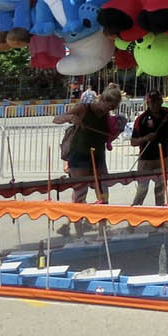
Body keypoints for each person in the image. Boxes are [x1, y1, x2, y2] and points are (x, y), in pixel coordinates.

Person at [53, 86, 115, 233]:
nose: (109, 110)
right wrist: (70, 118)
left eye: (113, 108)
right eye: (109, 106)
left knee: (103, 193)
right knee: (80, 193)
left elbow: (108, 136)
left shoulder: (106, 116)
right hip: (79, 156)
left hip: (98, 156)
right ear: (103, 99)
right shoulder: (83, 108)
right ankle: (78, 232)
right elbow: (56, 119)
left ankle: (102, 229)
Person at [129, 91, 168, 206]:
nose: (155, 104)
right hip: (146, 160)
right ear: (148, 103)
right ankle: (134, 213)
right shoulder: (141, 119)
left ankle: (159, 215)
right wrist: (145, 138)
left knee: (160, 191)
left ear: (161, 101)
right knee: (142, 190)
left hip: (163, 157)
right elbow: (133, 142)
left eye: (157, 101)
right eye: (152, 102)